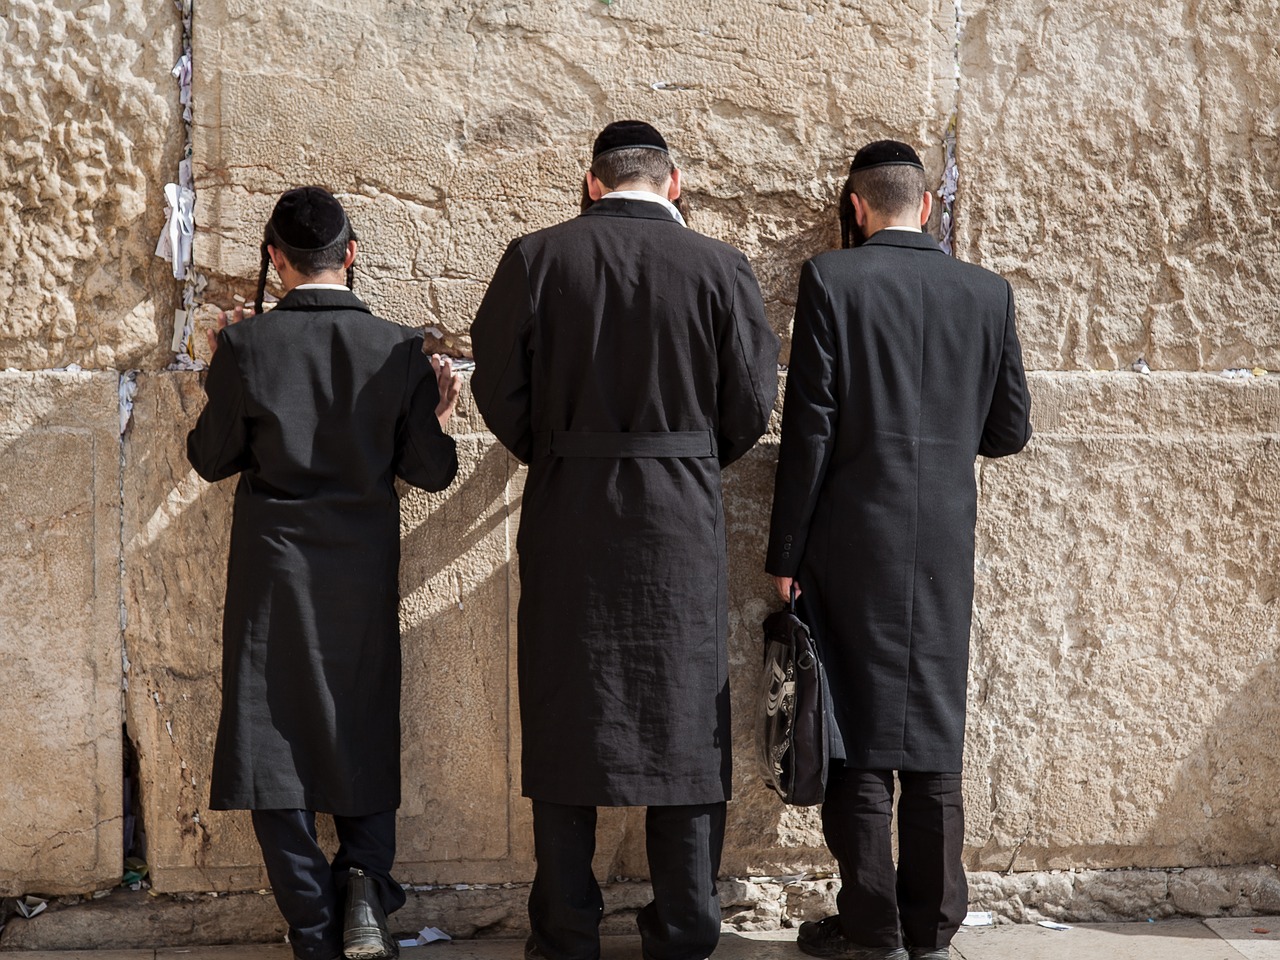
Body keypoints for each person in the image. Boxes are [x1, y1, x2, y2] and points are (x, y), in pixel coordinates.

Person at [470, 120, 779, 960]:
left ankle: (566, 929)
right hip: (678, 518)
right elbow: (752, 402)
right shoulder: (722, 269)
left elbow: (495, 386)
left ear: (592, 183)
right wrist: (684, 453)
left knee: (570, 706)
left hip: (571, 511)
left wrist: (562, 445)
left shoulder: (537, 258)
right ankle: (684, 925)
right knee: (685, 718)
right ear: (673, 183)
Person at [766, 141, 1032, 960]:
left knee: (857, 736)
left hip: (850, 543)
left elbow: (809, 428)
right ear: (928, 204)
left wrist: (784, 552)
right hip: (943, 546)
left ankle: (870, 922)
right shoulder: (987, 293)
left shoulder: (833, 281)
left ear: (856, 205)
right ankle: (932, 926)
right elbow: (1009, 429)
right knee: (932, 734)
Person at [187, 186, 461, 960]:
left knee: (271, 739)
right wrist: (435, 417)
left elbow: (210, 460)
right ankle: (366, 886)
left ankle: (313, 925)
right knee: (360, 721)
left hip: (275, 572)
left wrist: (221, 373)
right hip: (362, 570)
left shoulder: (247, 349)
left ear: (275, 261)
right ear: (351, 256)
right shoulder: (401, 349)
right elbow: (429, 474)